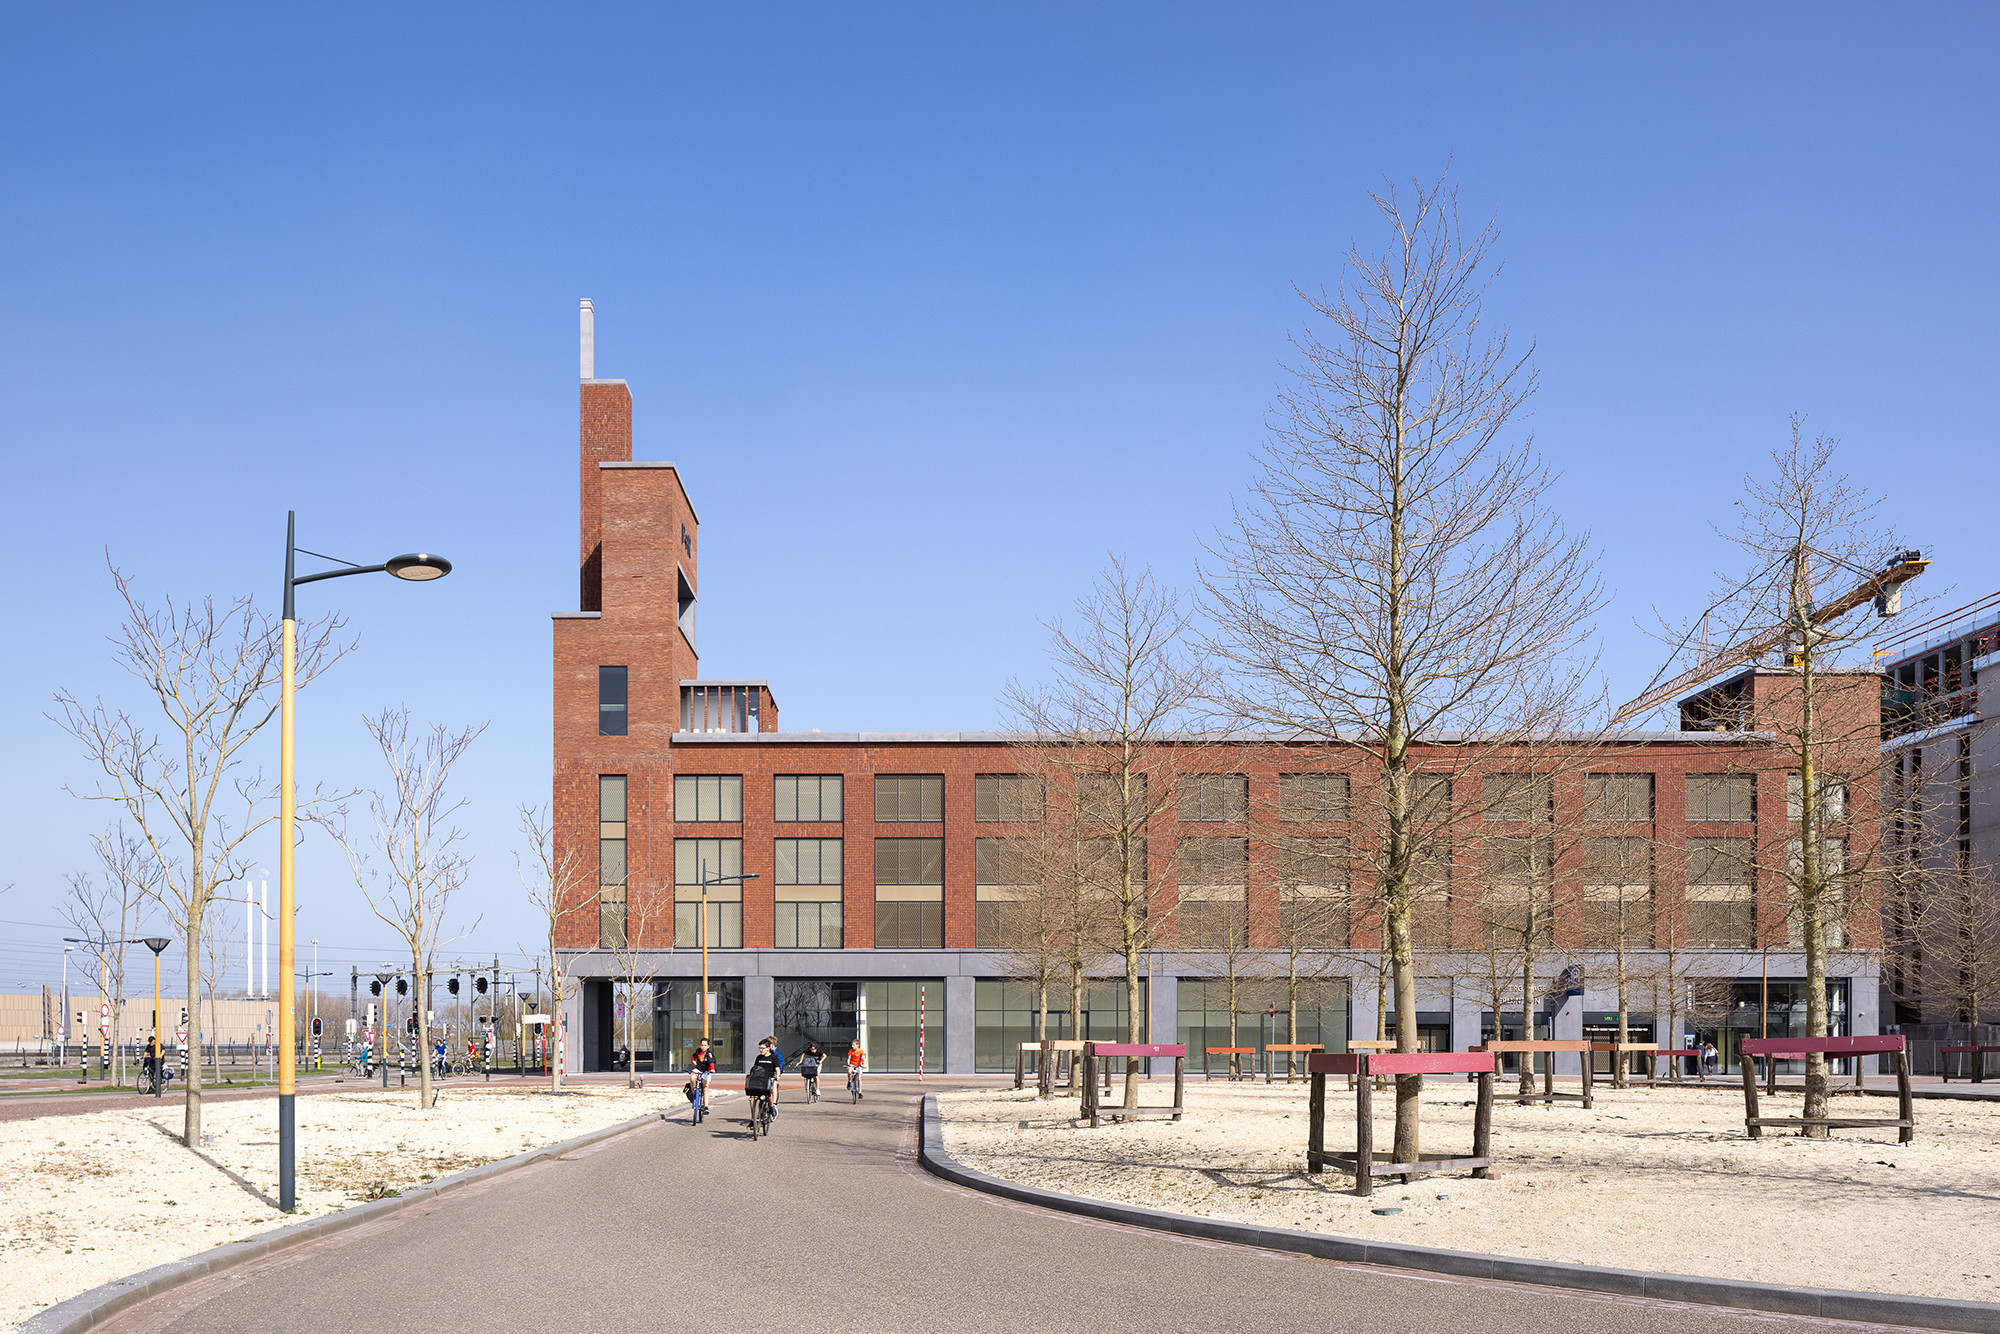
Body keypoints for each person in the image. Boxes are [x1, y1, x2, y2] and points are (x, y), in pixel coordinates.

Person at [745, 1038, 782, 1133]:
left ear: (768, 1048)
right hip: (759, 1079)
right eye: (760, 1048)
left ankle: (772, 1107)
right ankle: (753, 1120)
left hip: (768, 1079)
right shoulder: (759, 1058)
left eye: (763, 1048)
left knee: (768, 1093)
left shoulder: (773, 1058)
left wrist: (777, 1076)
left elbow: (777, 1069)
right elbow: (755, 1068)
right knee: (755, 1098)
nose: (761, 1050)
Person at [688, 1038, 717, 1125]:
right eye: (702, 1045)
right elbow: (693, 1057)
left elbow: (711, 1063)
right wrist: (694, 1062)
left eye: (705, 1045)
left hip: (706, 1071)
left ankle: (706, 1106)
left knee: (705, 1087)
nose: (703, 1047)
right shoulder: (698, 1051)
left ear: (708, 1046)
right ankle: (694, 1092)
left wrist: (712, 1069)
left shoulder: (709, 1054)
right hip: (698, 1069)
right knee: (692, 1078)